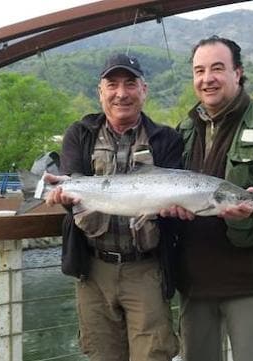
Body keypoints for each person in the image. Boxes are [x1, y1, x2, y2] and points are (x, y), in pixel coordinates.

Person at [161, 36, 253, 361]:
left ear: (237, 73)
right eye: (199, 70)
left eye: (217, 68)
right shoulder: (184, 128)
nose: (207, 78)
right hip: (194, 279)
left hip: (247, 278)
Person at [45, 53, 182, 361]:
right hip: (93, 269)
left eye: (130, 84)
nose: (122, 93)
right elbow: (74, 187)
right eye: (113, 84)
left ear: (144, 90)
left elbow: (175, 203)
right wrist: (62, 195)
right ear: (100, 92)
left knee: (153, 355)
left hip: (147, 269)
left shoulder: (166, 139)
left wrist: (179, 208)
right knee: (101, 355)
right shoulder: (79, 134)